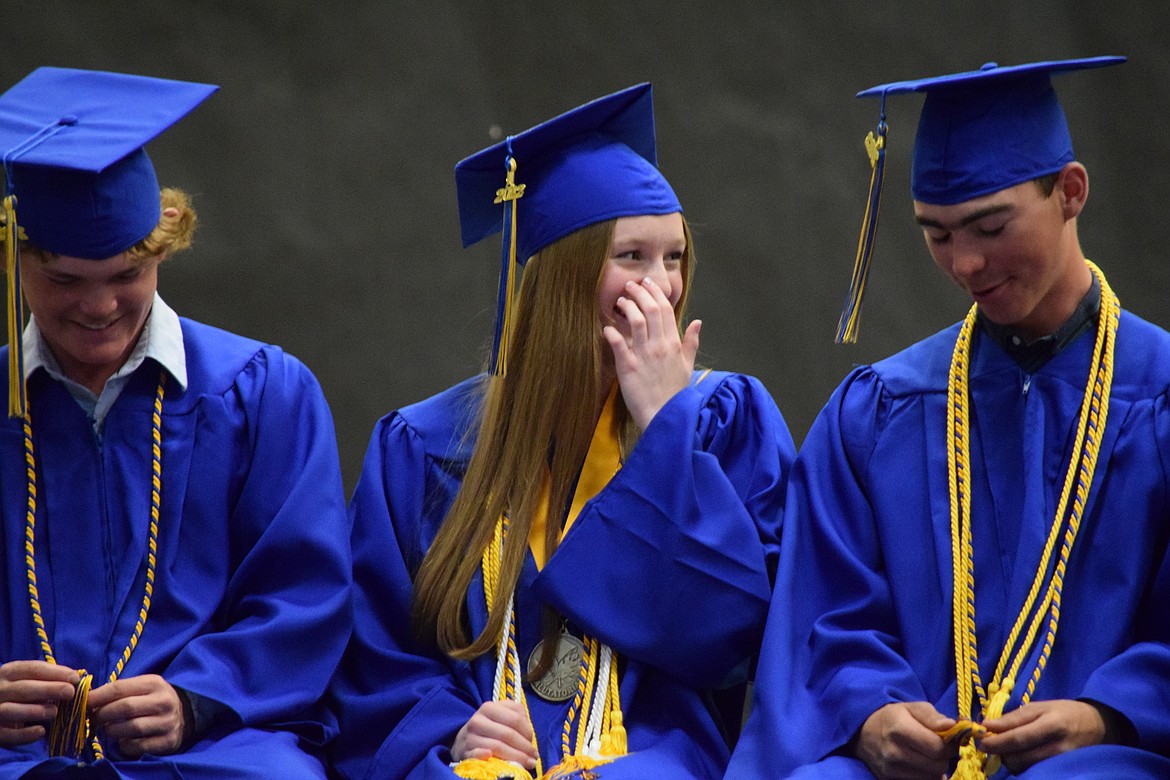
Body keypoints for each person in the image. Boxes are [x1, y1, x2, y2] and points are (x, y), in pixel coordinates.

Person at [327, 83, 795, 779]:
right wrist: (453, 731)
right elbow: (375, 661)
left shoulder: (724, 422)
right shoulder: (424, 446)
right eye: (631, 255)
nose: (661, 286)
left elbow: (734, 640)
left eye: (674, 257)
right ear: (562, 278)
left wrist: (668, 426)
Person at [726, 56, 1170, 780]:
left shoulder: (1156, 399)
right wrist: (871, 716)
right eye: (936, 234)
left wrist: (1107, 717)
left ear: (1070, 192)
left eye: (989, 227)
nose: (964, 263)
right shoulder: (881, 411)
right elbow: (824, 619)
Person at [0, 67, 351, 778]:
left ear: (163, 247)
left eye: (127, 273)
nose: (99, 307)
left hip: (213, 747)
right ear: (16, 259)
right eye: (66, 280)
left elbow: (304, 592)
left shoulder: (262, 393)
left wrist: (198, 698)